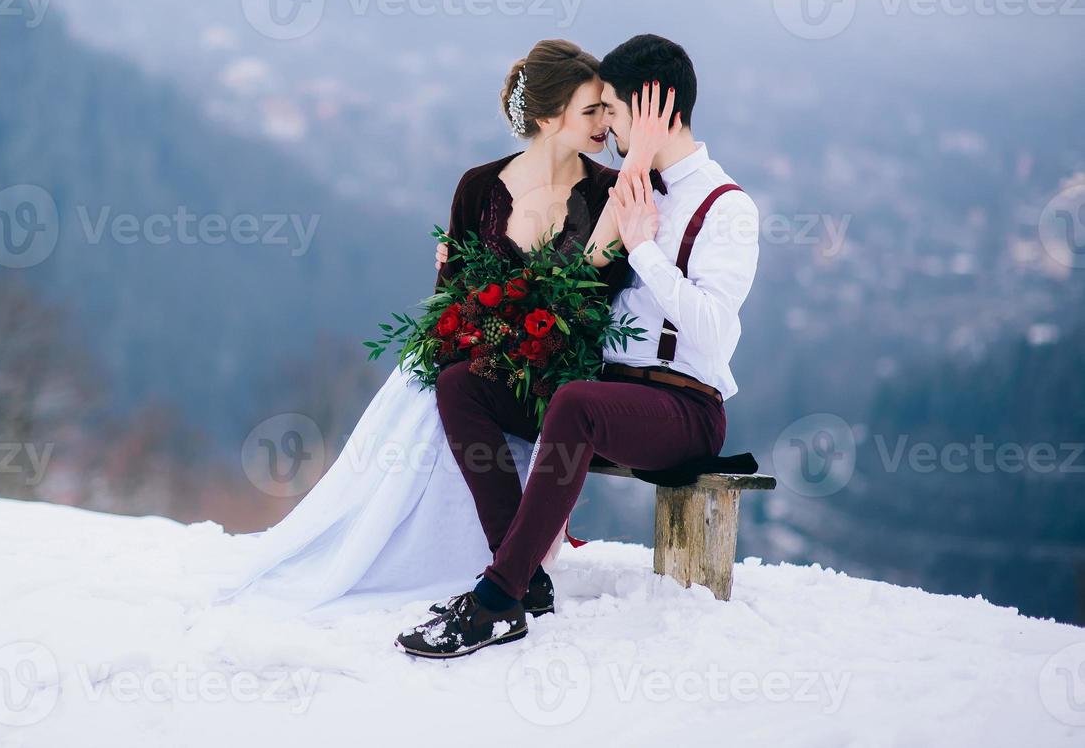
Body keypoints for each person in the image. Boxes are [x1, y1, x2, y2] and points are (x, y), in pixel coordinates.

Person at [208, 39, 642, 619]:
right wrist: (474, 316)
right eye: (591, 111)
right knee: (439, 387)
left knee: (466, 387)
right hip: (488, 369)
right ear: (546, 116)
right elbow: (451, 300)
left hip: (563, 378)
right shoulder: (480, 188)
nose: (604, 124)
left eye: (605, 111)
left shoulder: (611, 192)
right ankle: (515, 566)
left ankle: (516, 566)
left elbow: (602, 299)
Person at [397, 33, 761, 658]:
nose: (609, 126)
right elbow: (575, 295)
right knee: (463, 383)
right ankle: (526, 577)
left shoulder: (725, 206)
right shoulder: (623, 187)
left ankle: (496, 601)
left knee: (575, 404)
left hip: (683, 410)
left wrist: (643, 248)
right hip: (603, 391)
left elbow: (715, 333)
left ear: (655, 107)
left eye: (614, 109)